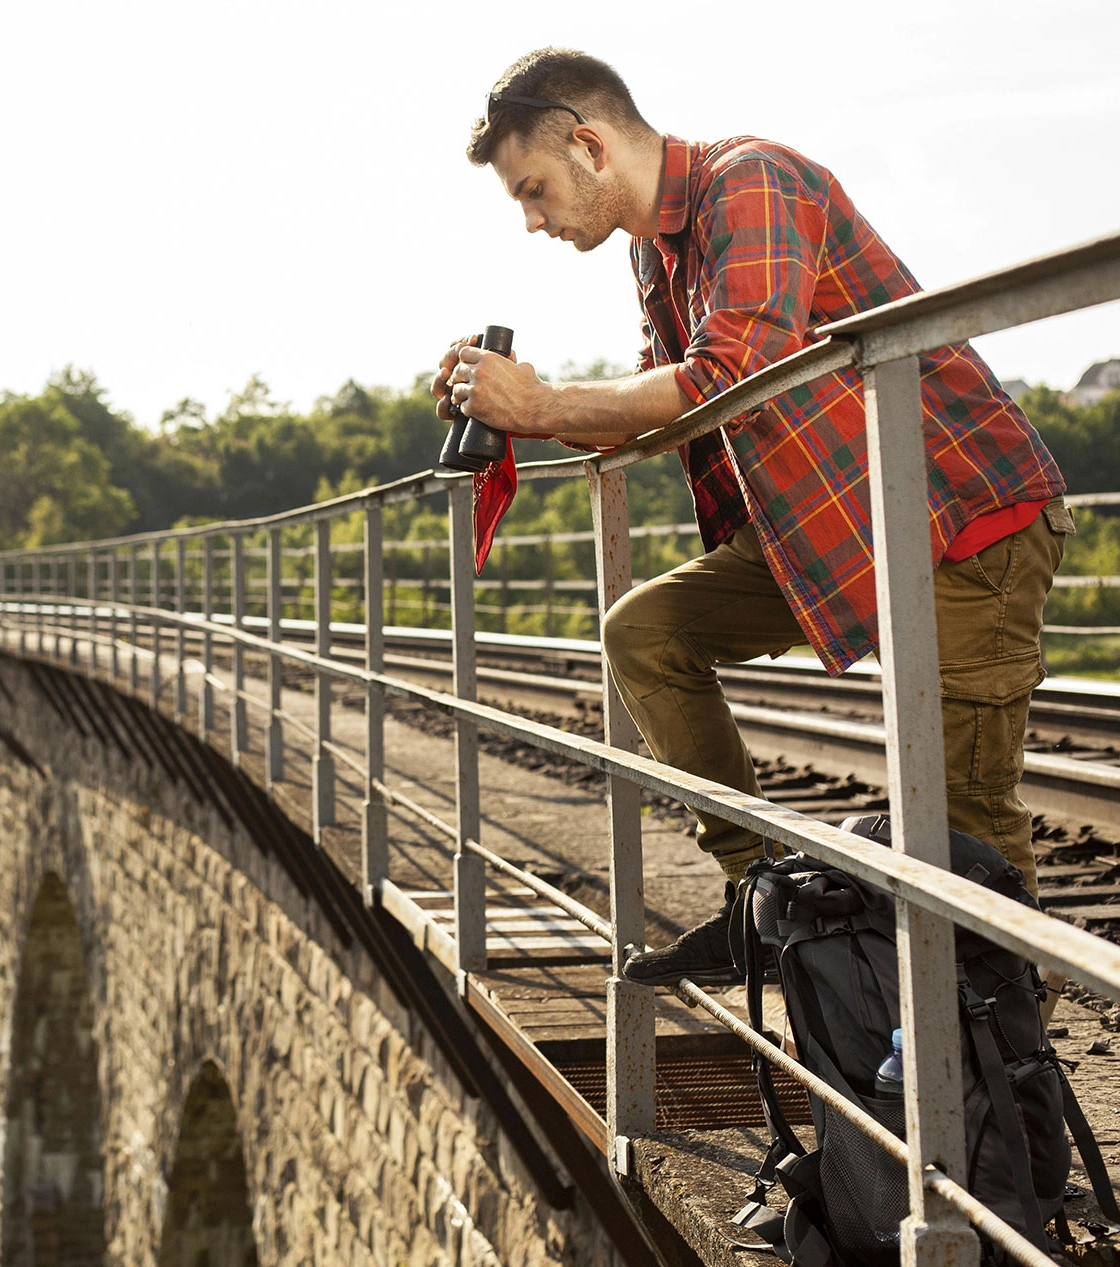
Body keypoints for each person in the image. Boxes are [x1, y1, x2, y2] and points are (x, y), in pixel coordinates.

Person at [435, 47, 1073, 986]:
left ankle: (1013, 1058)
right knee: (646, 634)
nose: (533, 221)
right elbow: (662, 406)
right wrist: (511, 405)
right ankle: (760, 897)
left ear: (590, 146)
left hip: (960, 525)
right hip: (829, 533)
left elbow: (726, 373)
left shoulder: (753, 180)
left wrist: (542, 403)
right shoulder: (655, 251)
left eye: (534, 190)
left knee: (962, 831)